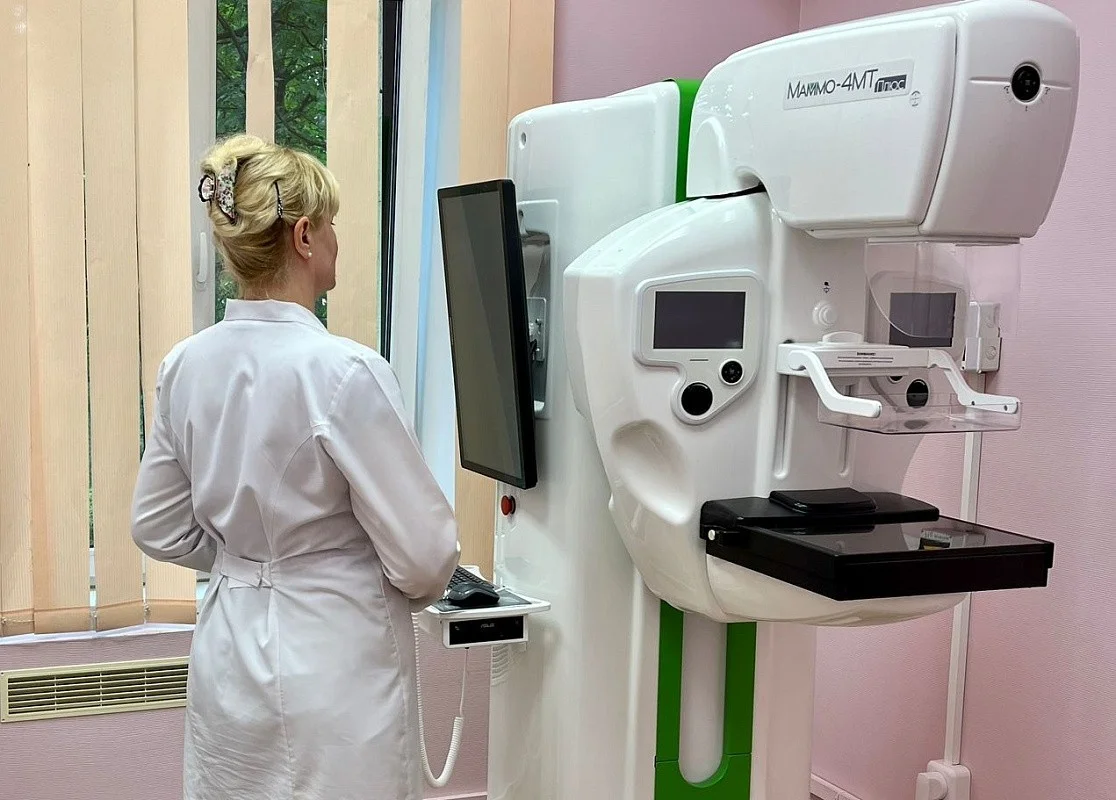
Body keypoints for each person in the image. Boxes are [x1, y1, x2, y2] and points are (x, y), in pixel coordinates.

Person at [130, 133, 460, 800]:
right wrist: (325, 565)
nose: (337, 238)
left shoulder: (185, 365)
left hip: (227, 658)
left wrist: (243, 559)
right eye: (330, 223)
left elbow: (156, 525)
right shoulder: (345, 372)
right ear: (305, 236)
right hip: (334, 661)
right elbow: (426, 558)